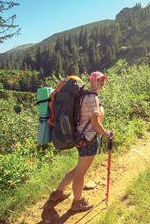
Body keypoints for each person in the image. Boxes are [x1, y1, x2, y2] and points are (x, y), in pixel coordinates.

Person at [48, 71, 115, 212]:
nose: (102, 83)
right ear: (92, 81)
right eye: (99, 80)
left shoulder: (86, 95)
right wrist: (107, 134)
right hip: (87, 140)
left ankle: (57, 193)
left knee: (79, 168)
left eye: (103, 81)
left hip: (81, 137)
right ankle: (77, 203)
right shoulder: (93, 98)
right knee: (81, 172)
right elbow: (95, 123)